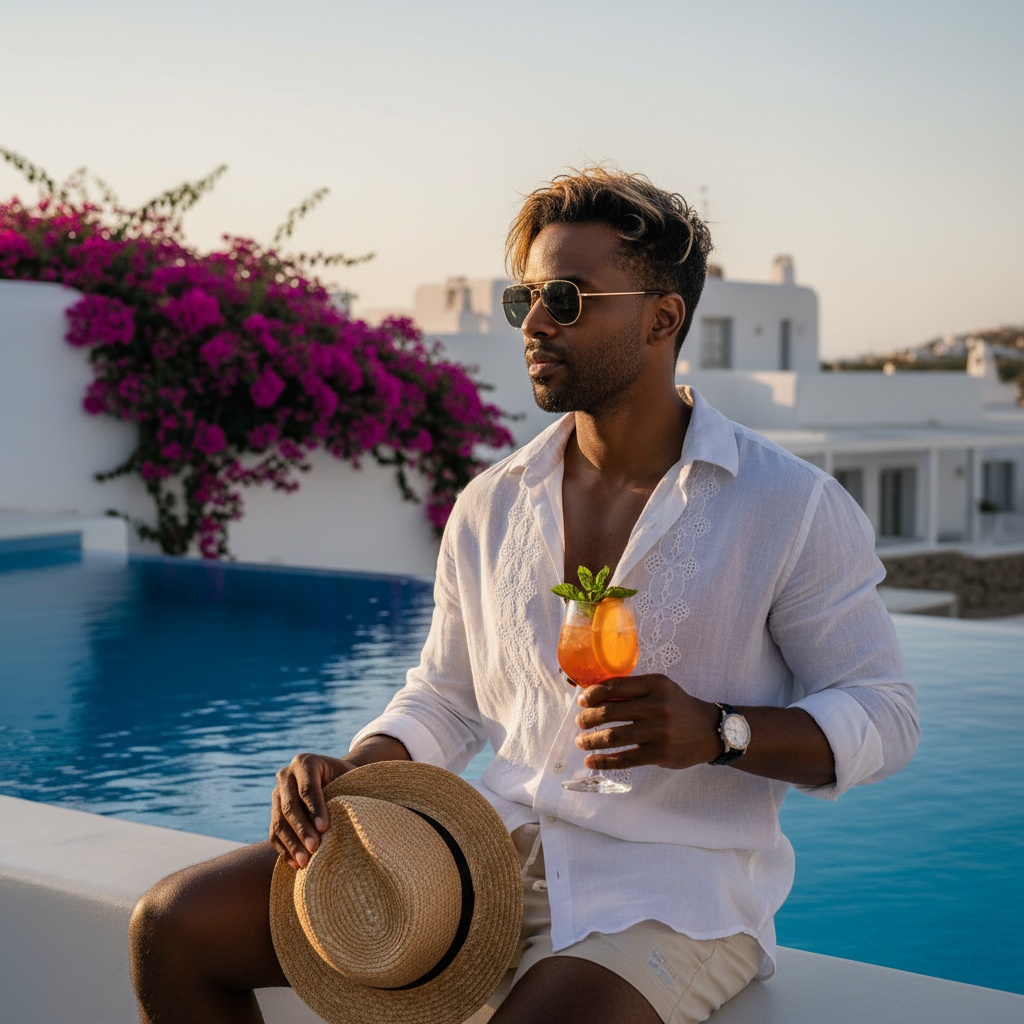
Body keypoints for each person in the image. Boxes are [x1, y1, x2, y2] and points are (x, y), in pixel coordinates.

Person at [129, 166, 919, 1024]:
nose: (536, 323)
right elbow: (446, 696)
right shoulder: (493, 501)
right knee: (174, 927)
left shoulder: (789, 505)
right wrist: (356, 769)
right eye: (527, 299)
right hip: (483, 857)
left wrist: (721, 733)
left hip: (674, 890)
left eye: (570, 298)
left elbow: (884, 712)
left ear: (663, 317)